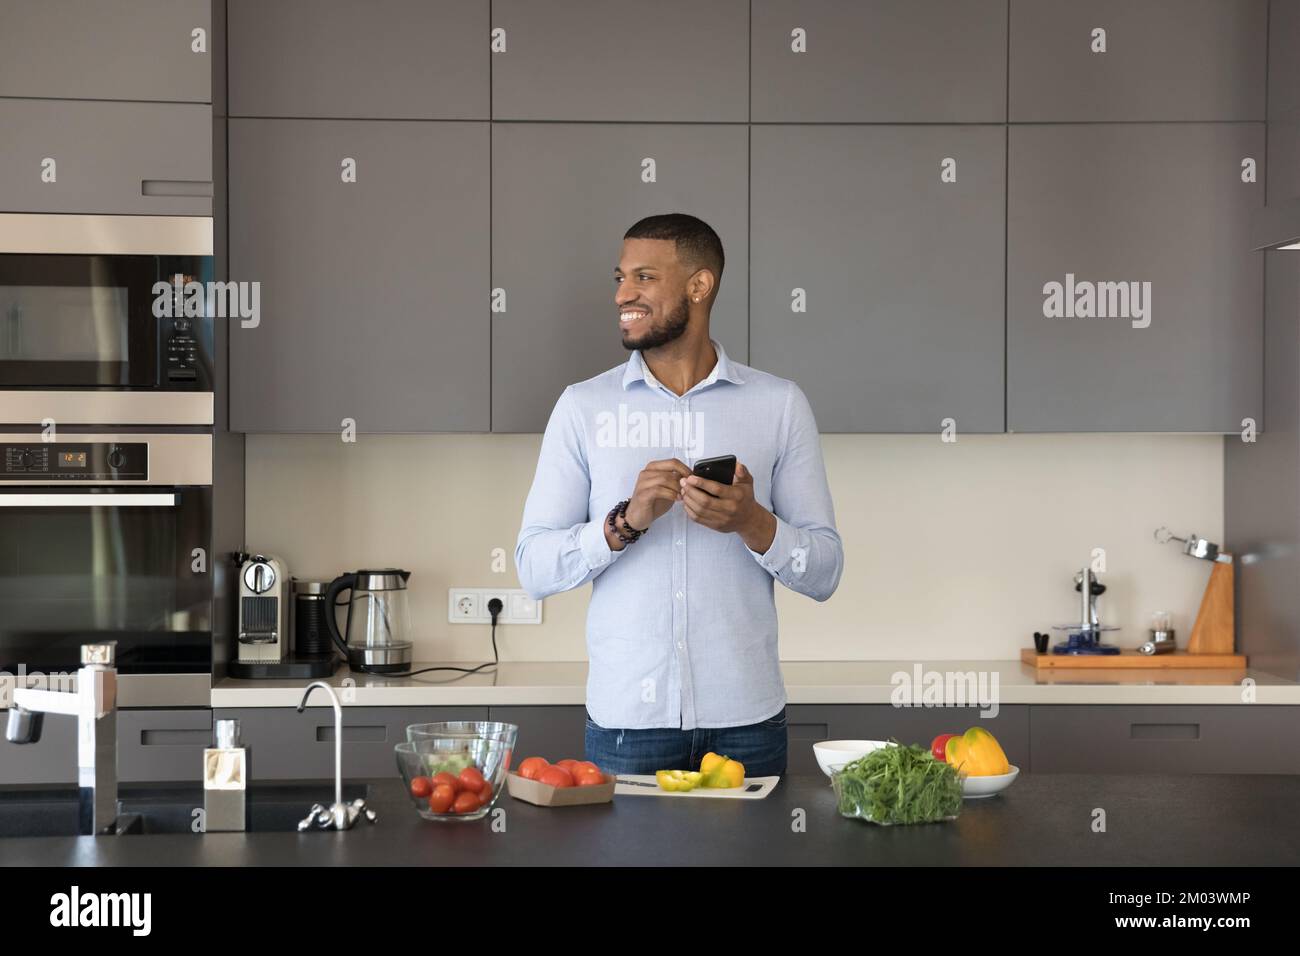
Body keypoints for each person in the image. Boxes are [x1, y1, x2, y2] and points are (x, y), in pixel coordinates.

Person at [515, 212, 843, 778]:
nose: (624, 295)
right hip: (627, 727)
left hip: (748, 722)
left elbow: (826, 571)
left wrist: (752, 522)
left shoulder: (779, 404)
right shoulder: (583, 407)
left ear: (699, 285)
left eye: (644, 278)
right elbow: (534, 569)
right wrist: (626, 521)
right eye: (619, 278)